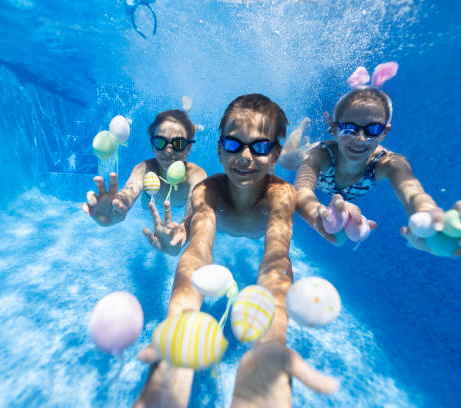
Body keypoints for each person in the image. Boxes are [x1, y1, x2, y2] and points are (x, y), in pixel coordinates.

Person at [134, 94, 339, 408]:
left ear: (275, 155)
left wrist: (271, 341)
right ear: (219, 150)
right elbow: (198, 251)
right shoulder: (209, 190)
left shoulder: (280, 194)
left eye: (259, 147)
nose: (245, 157)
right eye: (233, 144)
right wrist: (180, 323)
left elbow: (276, 259)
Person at [295, 62, 461, 255]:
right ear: (334, 129)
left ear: (384, 132)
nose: (360, 139)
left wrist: (429, 217)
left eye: (373, 129)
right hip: (311, 157)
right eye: (349, 128)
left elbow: (412, 194)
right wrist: (317, 213)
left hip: (335, 185)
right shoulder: (322, 155)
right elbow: (301, 190)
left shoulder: (389, 163)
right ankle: (301, 132)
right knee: (289, 158)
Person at [82, 109, 207, 255]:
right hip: (154, 197)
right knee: (146, 204)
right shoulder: (145, 168)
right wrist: (118, 204)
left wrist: (184, 232)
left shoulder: (196, 175)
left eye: (178, 144)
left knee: (189, 126)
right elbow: (130, 189)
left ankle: (189, 115)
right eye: (160, 142)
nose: (168, 151)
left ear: (188, 148)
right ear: (153, 146)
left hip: (177, 203)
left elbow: (195, 210)